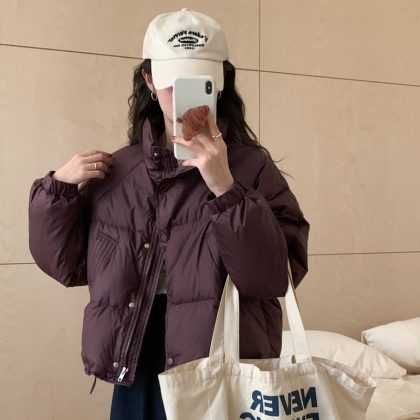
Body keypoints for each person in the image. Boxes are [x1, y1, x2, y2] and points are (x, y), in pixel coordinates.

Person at [28, 8, 310, 420]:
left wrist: (226, 189)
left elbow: (271, 278)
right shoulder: (119, 173)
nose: (184, 97)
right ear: (148, 80)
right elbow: (67, 266)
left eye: (199, 82)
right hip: (136, 358)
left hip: (219, 365)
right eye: (172, 82)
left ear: (221, 83)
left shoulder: (251, 170)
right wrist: (57, 192)